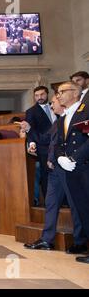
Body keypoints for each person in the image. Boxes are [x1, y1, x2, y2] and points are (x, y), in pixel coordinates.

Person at [24, 93, 87, 254]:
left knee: (75, 205)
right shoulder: (59, 122)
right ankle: (47, 239)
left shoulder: (72, 119)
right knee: (51, 204)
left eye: (53, 102)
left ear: (61, 103)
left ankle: (80, 242)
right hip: (54, 170)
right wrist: (31, 133)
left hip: (68, 168)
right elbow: (46, 140)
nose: (51, 106)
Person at [52, 82, 89, 264]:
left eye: (61, 92)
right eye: (57, 93)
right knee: (82, 209)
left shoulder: (85, 110)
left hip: (83, 166)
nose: (58, 96)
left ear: (75, 92)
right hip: (69, 169)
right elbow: (59, 143)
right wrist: (60, 158)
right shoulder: (62, 118)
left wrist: (74, 158)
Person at [25, 86, 56, 201]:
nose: (39, 97)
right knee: (46, 175)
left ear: (47, 94)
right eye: (37, 95)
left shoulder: (56, 106)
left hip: (59, 146)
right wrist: (32, 144)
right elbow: (29, 130)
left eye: (42, 94)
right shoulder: (31, 111)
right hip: (43, 147)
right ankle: (50, 200)